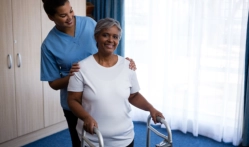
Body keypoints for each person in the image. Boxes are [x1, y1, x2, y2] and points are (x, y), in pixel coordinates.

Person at [40, 1, 136, 147]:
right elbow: (53, 83)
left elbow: (108, 44)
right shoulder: (49, 44)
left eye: (71, 11)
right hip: (75, 102)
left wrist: (123, 63)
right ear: (50, 17)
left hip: (103, 96)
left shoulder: (90, 24)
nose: (70, 17)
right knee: (81, 142)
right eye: (63, 15)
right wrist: (74, 76)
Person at [67, 18, 164, 147]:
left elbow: (134, 95)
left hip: (124, 138)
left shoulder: (128, 66)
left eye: (115, 36)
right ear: (96, 36)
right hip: (94, 139)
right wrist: (86, 117)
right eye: (105, 35)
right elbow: (72, 100)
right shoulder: (81, 68)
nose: (110, 40)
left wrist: (151, 108)